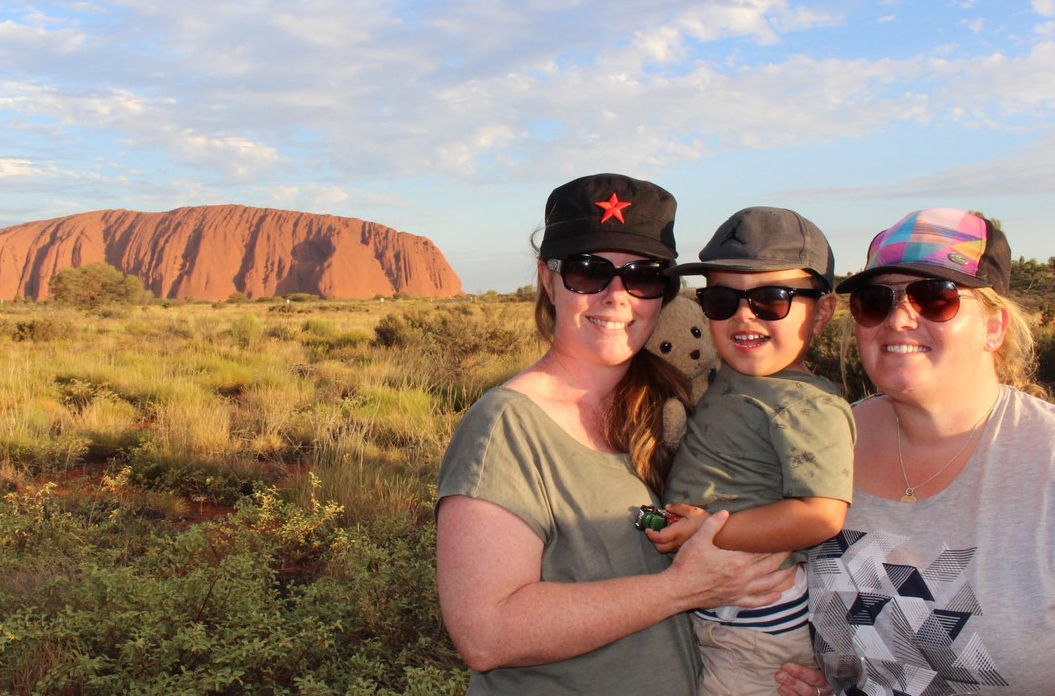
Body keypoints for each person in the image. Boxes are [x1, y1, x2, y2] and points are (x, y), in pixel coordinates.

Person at [435, 173, 794, 695]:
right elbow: (487, 632)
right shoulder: (504, 428)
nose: (616, 295)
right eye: (588, 272)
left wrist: (780, 668)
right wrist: (682, 588)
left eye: (643, 276)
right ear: (548, 278)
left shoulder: (678, 407)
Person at [778, 207, 1055, 696]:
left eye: (935, 298)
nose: (899, 318)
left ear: (994, 328)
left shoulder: (1045, 463)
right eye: (875, 301)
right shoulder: (825, 442)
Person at [649, 207, 856, 696]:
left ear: (822, 312)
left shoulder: (809, 404)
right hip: (719, 604)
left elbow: (821, 516)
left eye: (771, 299)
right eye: (722, 299)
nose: (744, 315)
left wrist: (711, 531)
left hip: (756, 618)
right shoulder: (734, 379)